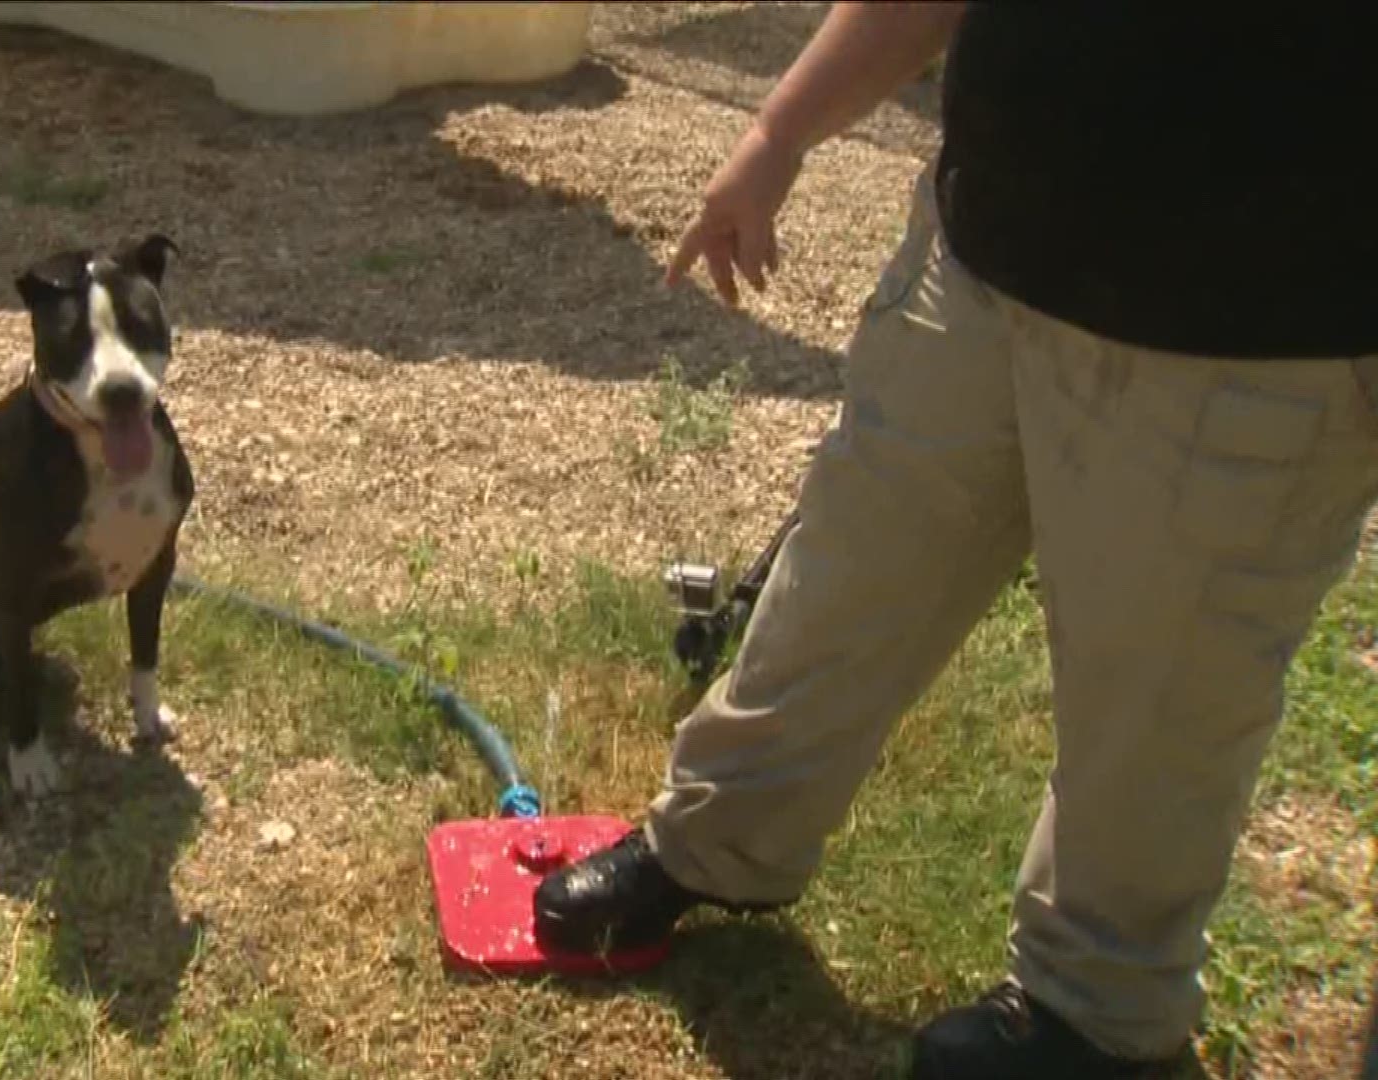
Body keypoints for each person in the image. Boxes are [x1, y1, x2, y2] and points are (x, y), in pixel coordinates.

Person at [531, 4, 1378, 1078]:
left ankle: (1099, 1010)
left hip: (1248, 330)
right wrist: (779, 133)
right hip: (988, 249)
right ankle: (717, 840)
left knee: (1155, 694)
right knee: (848, 570)